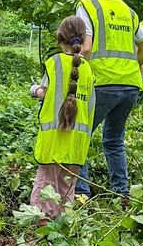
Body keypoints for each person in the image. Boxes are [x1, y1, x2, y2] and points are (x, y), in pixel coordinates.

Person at [74, 0, 143, 199]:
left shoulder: (87, 5)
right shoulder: (127, 10)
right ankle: (121, 193)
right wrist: (132, 67)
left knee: (80, 135)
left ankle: (81, 192)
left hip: (102, 82)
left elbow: (86, 48)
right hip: (130, 86)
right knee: (114, 140)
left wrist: (74, 74)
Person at [29, 16, 96, 219]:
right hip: (77, 140)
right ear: (83, 39)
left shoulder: (54, 63)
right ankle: (64, 221)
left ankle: (42, 221)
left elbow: (45, 93)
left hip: (54, 136)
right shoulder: (87, 68)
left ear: (60, 37)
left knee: (46, 181)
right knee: (68, 183)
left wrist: (34, 90)